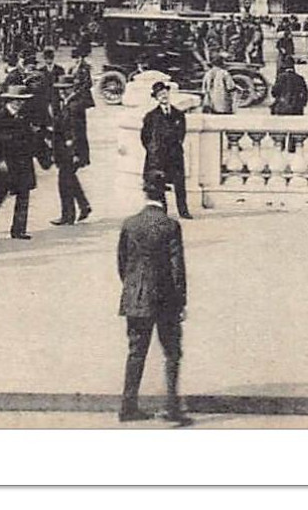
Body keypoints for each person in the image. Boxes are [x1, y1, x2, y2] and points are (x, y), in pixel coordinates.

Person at [117, 172, 190, 425]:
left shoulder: (130, 223)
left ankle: (128, 407)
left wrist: (133, 289)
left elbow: (122, 264)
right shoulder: (170, 226)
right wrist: (180, 302)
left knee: (136, 352)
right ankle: (172, 408)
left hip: (136, 298)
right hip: (165, 300)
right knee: (172, 352)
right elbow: (177, 269)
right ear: (164, 195)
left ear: (145, 194)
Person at [0, 84, 40, 239]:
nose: (19, 104)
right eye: (16, 101)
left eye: (22, 101)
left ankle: (18, 230)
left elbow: (30, 137)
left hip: (23, 162)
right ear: (9, 100)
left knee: (24, 195)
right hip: (5, 163)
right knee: (2, 193)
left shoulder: (25, 116)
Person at [141, 81, 193, 219]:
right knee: (159, 184)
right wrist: (154, 150)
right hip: (159, 156)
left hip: (175, 155)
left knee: (179, 184)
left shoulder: (178, 114)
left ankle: (184, 211)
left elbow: (182, 133)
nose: (163, 96)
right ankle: (163, 212)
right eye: (160, 94)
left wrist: (175, 147)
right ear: (156, 98)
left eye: (165, 93)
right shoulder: (151, 116)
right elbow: (145, 137)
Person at [48, 76, 94, 226]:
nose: (61, 92)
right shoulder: (69, 104)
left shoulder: (74, 106)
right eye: (60, 89)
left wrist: (75, 153)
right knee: (69, 179)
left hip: (70, 151)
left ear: (71, 89)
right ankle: (83, 206)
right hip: (65, 150)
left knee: (64, 183)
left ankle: (68, 216)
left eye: (64, 89)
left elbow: (77, 131)